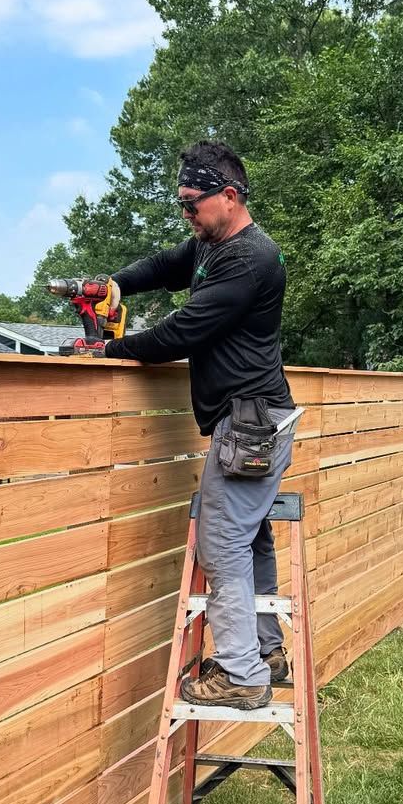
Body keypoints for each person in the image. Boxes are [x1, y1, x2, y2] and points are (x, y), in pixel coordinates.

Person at [103, 140, 297, 710]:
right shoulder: (212, 246)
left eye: (193, 204)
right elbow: (166, 265)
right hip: (256, 421)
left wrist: (113, 351)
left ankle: (240, 675)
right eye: (181, 203)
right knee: (250, 535)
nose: (186, 214)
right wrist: (115, 285)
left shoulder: (251, 259)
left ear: (229, 196)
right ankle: (265, 651)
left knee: (222, 543)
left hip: (249, 426)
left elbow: (183, 332)